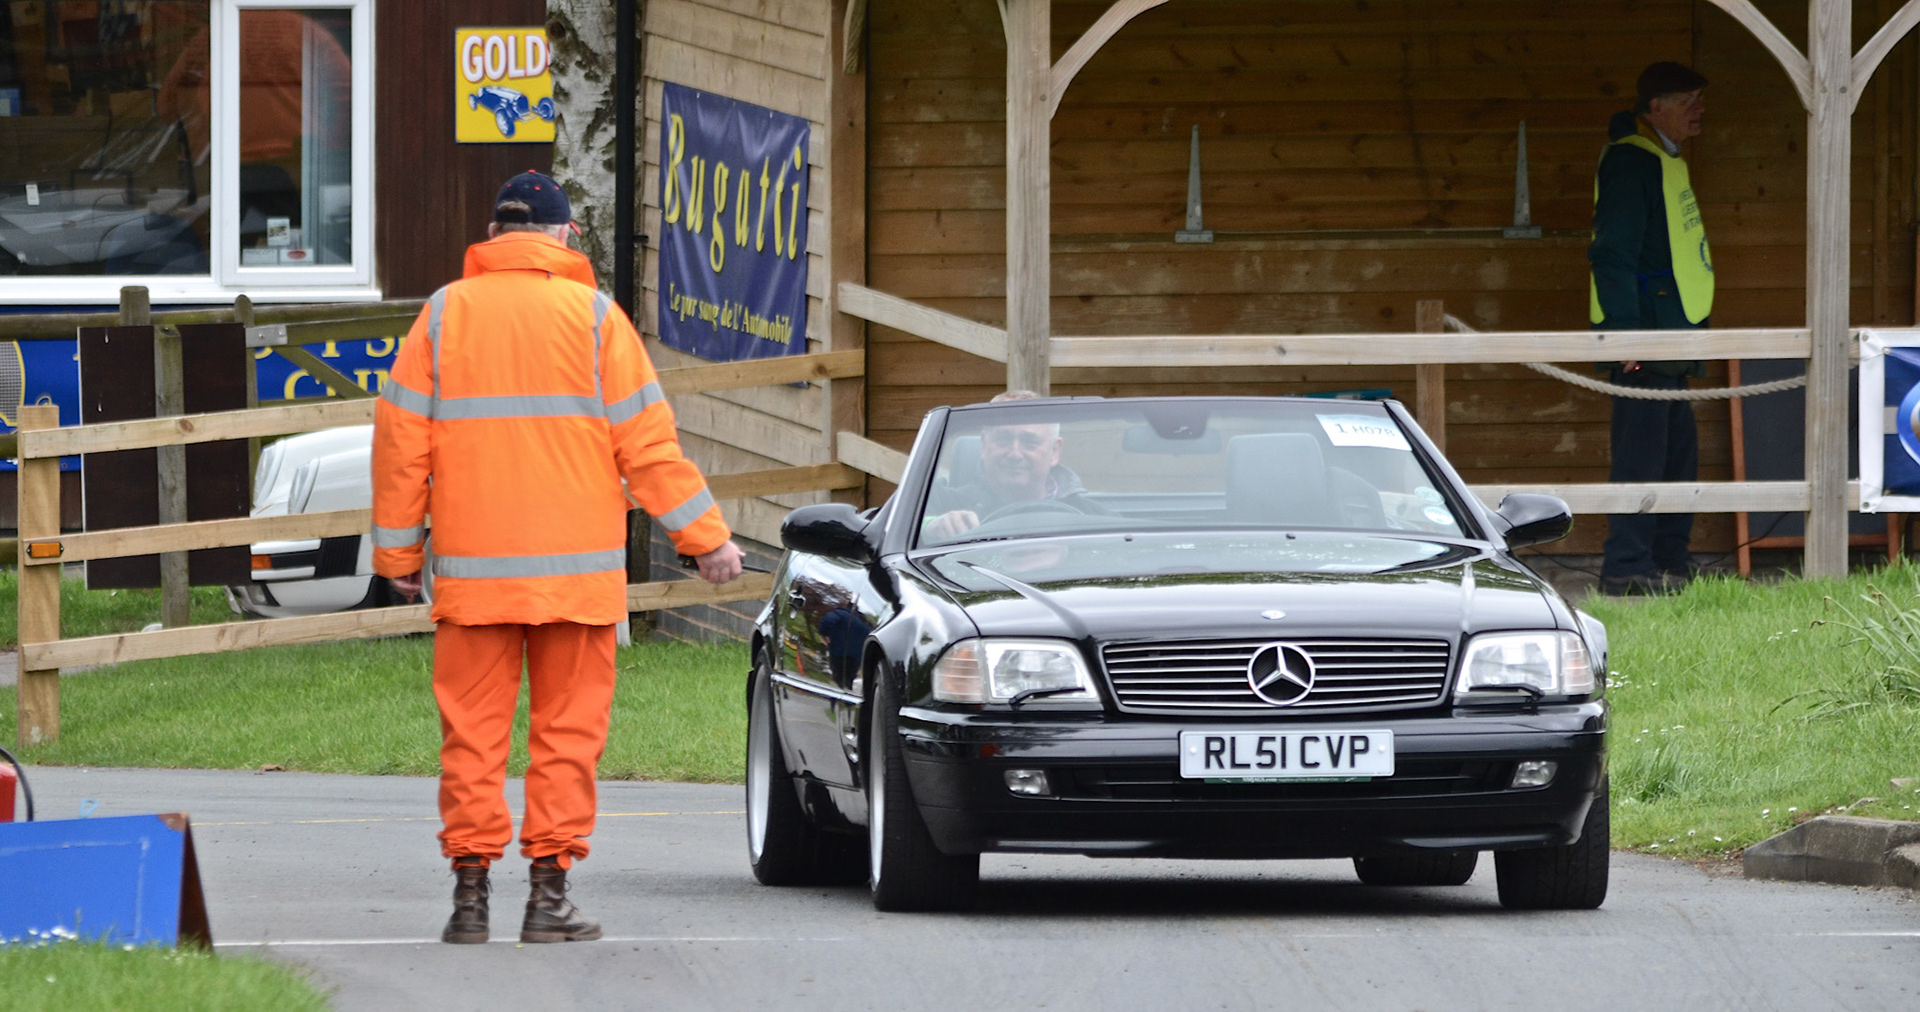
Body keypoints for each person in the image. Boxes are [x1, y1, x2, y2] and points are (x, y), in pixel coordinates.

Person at [371, 171, 744, 945]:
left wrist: (400, 553)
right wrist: (703, 538)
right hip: (576, 579)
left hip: (474, 578)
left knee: (471, 738)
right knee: (566, 737)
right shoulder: (595, 319)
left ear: (493, 233)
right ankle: (549, 898)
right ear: (564, 234)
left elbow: (402, 442)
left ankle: (469, 899)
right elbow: (647, 446)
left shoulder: (442, 316)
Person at [1587, 61, 1712, 596]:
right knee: (1641, 455)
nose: (1699, 109)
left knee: (1677, 453)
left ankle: (1668, 561)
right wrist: (1625, 335)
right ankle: (1627, 569)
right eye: (1688, 100)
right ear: (1655, 107)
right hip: (1647, 335)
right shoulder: (1631, 161)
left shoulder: (1663, 157)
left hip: (1671, 335)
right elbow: (1611, 255)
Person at [924, 390, 1103, 539]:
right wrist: (929, 527)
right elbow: (899, 526)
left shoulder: (1089, 517)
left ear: (1054, 451)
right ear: (984, 445)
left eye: (1029, 442)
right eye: (1003, 440)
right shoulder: (941, 502)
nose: (1015, 454)